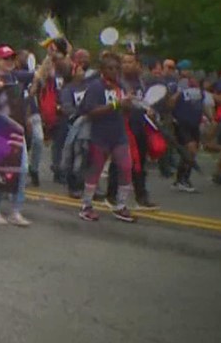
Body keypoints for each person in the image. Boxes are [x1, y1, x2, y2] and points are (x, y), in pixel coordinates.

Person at [77, 53, 136, 223]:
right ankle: (86, 206)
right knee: (95, 170)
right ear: (102, 70)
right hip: (100, 135)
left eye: (117, 68)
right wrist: (116, 105)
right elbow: (90, 111)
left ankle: (121, 205)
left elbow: (125, 109)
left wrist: (129, 105)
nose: (114, 71)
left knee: (126, 167)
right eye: (110, 68)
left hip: (119, 134)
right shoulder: (96, 87)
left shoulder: (121, 86)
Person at [0, 46, 33, 226]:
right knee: (1, 172)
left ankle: (16, 212)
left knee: (22, 170)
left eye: (11, 58)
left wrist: (51, 57)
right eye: (5, 58)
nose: (9, 62)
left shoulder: (16, 78)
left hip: (17, 131)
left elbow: (39, 75)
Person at [104, 52, 157, 209]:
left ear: (137, 64)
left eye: (130, 62)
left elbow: (144, 102)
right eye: (124, 62)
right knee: (118, 161)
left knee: (140, 160)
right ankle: (111, 195)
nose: (127, 65)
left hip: (139, 125)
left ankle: (141, 196)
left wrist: (149, 110)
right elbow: (111, 104)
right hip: (122, 126)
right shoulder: (117, 83)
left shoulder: (141, 82)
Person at [168, 65, 205, 192]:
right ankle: (183, 180)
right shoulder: (176, 87)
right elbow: (170, 103)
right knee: (190, 150)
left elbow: (201, 105)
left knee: (190, 153)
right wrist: (179, 91)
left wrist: (209, 117)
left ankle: (181, 178)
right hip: (181, 123)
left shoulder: (198, 89)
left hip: (194, 124)